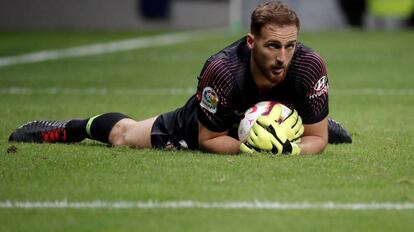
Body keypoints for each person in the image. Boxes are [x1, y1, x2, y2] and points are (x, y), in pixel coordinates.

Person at [9, 1, 352, 155]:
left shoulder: (308, 66)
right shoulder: (221, 71)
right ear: (251, 42)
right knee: (123, 136)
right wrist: (255, 151)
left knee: (314, 128)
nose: (282, 57)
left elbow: (317, 139)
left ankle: (292, 121)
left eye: (289, 46)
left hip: (276, 111)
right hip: (214, 123)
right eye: (272, 45)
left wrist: (292, 149)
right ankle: (69, 128)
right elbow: (210, 139)